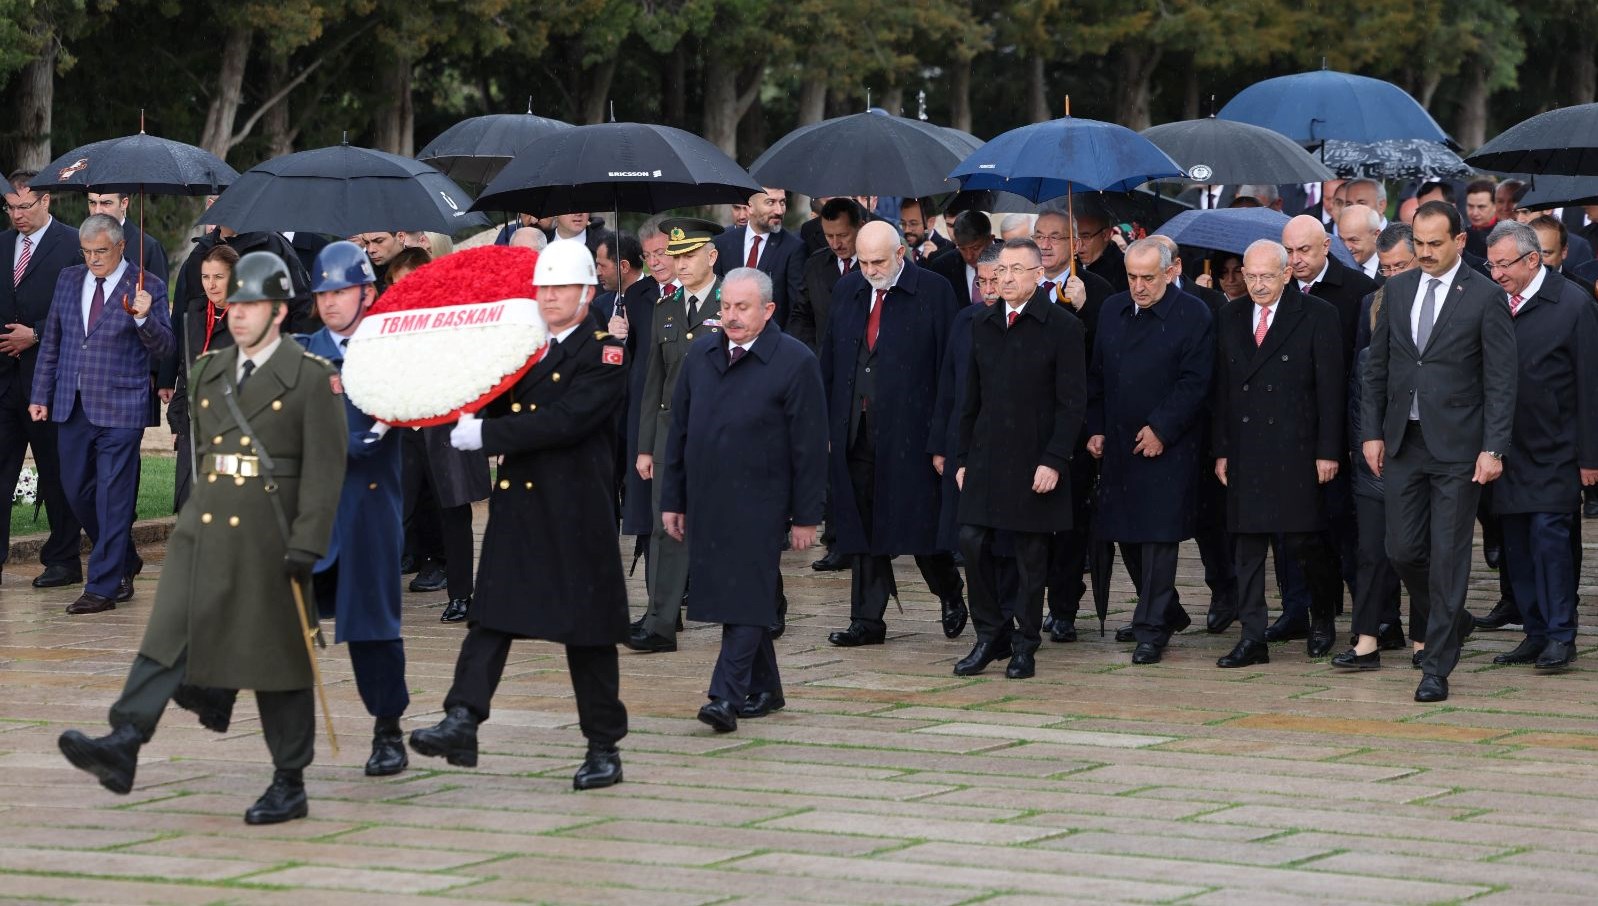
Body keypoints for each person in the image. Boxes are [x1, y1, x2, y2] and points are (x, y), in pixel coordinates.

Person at [55, 251, 348, 824]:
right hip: (207, 526)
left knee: (278, 659)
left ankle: (289, 778)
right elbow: (208, 454)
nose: (238, 315)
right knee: (166, 635)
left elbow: (324, 472)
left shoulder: (312, 379)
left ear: (281, 310)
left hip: (273, 533)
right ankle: (125, 741)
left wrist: (307, 545)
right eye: (233, 303)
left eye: (252, 304)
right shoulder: (211, 369)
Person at [409, 239, 631, 790]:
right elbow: (487, 391)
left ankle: (603, 746)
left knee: (588, 633)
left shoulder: (604, 353)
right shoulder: (524, 347)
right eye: (543, 288)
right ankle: (463, 718)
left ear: (587, 293)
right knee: (491, 617)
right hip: (522, 507)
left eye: (561, 288)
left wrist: (486, 434)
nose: (550, 297)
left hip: (576, 510)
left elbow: (565, 421)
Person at [1361, 200, 1517, 703]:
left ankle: (1436, 666)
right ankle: (1457, 617)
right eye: (1418, 245)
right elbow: (1378, 369)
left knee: (1449, 556)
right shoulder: (1397, 288)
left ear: (1459, 242)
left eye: (1434, 244)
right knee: (1402, 549)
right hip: (1404, 442)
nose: (1424, 254)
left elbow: (1501, 379)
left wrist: (1493, 447)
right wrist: (1372, 433)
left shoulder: (1485, 297)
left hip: (1459, 447)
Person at [661, 267, 827, 732]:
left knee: (747, 595)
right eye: (726, 306)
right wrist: (673, 500)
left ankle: (724, 696)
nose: (731, 317)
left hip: (764, 501)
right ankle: (768, 689)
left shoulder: (795, 362)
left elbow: (809, 446)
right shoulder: (700, 355)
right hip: (709, 499)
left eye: (742, 307)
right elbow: (680, 433)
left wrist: (807, 515)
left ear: (768, 310)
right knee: (736, 594)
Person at [822, 221, 966, 647]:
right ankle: (867, 620)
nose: (870, 269)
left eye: (878, 261)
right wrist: (826, 426)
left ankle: (949, 592)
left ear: (901, 253)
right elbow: (830, 358)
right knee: (860, 525)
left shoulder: (934, 292)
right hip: (856, 429)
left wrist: (943, 439)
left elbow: (949, 369)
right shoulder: (848, 289)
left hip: (912, 434)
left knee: (919, 525)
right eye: (863, 261)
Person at [298, 240, 411, 774]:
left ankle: (388, 729)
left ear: (368, 291)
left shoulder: (391, 346)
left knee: (373, 628)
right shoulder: (301, 353)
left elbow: (421, 404)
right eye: (323, 293)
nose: (331, 302)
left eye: (342, 290)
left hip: (368, 510)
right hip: (312, 512)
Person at [952, 238, 1086, 678]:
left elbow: (1072, 403)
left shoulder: (1062, 327)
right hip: (987, 456)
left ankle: (1026, 642)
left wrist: (1054, 459)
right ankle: (990, 634)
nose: (1006, 278)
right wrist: (961, 456)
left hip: (1035, 459)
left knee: (1030, 554)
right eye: (1001, 270)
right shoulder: (982, 323)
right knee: (972, 541)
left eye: (1016, 270)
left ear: (1036, 275)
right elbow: (968, 399)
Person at [30, 214, 174, 614]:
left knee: (114, 496)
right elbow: (54, 341)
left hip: (122, 407)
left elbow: (165, 349)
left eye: (101, 252)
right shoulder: (69, 279)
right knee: (76, 490)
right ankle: (125, 559)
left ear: (121, 246)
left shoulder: (149, 286)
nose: (93, 259)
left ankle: (104, 586)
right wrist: (40, 393)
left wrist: (144, 318)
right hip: (71, 404)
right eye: (87, 251)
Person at [1213, 240, 1345, 668]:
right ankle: (1253, 636)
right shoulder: (1230, 316)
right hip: (1247, 451)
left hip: (1298, 448)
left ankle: (1322, 615)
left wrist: (1328, 450)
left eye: (1266, 276)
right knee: (1247, 546)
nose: (1256, 284)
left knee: (1306, 542)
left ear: (1288, 274)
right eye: (1249, 276)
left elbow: (1331, 390)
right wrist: (1221, 450)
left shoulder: (1318, 315)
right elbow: (1222, 391)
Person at [1087, 239, 1213, 665]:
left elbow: (1196, 380)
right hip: (1120, 441)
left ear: (1171, 271)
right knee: (1125, 532)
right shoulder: (1113, 309)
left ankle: (1152, 627)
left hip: (1169, 444)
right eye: (1132, 277)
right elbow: (1098, 374)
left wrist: (1163, 427)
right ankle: (1166, 609)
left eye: (1148, 278)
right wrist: (1096, 428)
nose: (1138, 287)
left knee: (1159, 535)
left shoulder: (1193, 314)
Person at [1480, 221, 1598, 672]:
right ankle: (1534, 631)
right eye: (1491, 265)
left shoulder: (1573, 304)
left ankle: (1560, 636)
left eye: (1504, 265)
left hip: (1556, 450)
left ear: (1534, 260)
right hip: (1504, 450)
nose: (1496, 274)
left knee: (1551, 545)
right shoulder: (1493, 301)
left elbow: (1590, 386)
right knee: (1517, 548)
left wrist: (1590, 458)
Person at [631, 218, 726, 653]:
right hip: (671, 434)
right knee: (663, 526)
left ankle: (765, 607)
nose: (680, 264)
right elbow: (655, 381)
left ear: (712, 257)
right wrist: (646, 446)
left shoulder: (733, 303)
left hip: (720, 435)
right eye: (676, 255)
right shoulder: (665, 307)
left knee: (731, 526)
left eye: (689, 256)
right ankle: (661, 622)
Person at [0, 169, 85, 589]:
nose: (16, 215)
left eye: (24, 207)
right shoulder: (1, 245)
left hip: (49, 380)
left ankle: (65, 559)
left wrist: (34, 332)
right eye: (10, 207)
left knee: (55, 472)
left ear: (46, 201)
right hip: (3, 380)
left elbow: (82, 310)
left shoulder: (72, 245)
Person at [170, 244, 241, 511]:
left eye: (218, 277)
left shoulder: (249, 315)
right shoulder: (196, 311)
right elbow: (184, 365)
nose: (211, 285)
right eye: (205, 277)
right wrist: (178, 411)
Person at [712, 187, 806, 327]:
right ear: (750, 207)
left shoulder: (793, 248)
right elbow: (715, 296)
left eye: (782, 202)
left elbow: (796, 309)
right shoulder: (724, 242)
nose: (779, 211)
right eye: (770, 202)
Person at [790, 198, 865, 353]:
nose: (836, 244)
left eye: (843, 235)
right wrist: (812, 353)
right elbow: (801, 316)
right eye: (829, 236)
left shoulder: (875, 265)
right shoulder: (814, 265)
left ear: (860, 227)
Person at [86, 191, 169, 285]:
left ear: (124, 204)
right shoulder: (80, 242)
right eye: (92, 203)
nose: (97, 211)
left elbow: (159, 296)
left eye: (106, 203)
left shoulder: (147, 248)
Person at [928, 211, 997, 306]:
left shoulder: (1011, 257)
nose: (969, 256)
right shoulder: (942, 267)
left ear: (990, 239)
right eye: (962, 248)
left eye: (975, 248)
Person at [1338, 205, 1383, 281]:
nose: (1346, 247)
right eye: (1341, 239)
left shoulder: (1393, 267)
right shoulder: (1334, 266)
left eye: (1353, 240)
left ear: (1376, 235)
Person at [900, 197, 951, 263]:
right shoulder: (898, 248)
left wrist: (935, 260)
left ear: (930, 222)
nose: (907, 230)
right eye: (903, 223)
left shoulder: (946, 250)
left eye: (913, 223)